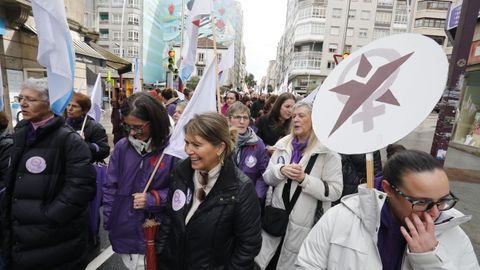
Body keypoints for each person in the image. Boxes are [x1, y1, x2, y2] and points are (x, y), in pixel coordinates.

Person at [297, 150, 480, 269]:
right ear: (388, 189)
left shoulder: (454, 234)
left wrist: (429, 259)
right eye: (422, 202)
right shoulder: (340, 218)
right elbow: (307, 265)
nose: (435, 213)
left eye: (442, 201)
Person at [3, 78, 96, 269]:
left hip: (54, 238)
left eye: (30, 99)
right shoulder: (20, 134)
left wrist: (49, 217)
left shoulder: (69, 140)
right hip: (19, 235)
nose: (22, 103)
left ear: (49, 104)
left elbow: (81, 188)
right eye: (21, 98)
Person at [156, 112, 262, 269]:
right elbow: (170, 220)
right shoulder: (181, 172)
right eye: (187, 143)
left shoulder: (241, 188)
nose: (188, 150)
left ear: (220, 148)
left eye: (196, 145)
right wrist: (161, 255)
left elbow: (248, 246)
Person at [255, 102, 343, 270]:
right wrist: (280, 171)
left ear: (314, 121)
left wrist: (304, 180)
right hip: (275, 221)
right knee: (266, 263)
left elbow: (335, 191)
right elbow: (267, 177)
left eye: (301, 116)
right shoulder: (282, 145)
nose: (296, 119)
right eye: (294, 116)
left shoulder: (328, 153)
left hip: (305, 228)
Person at [103, 93, 179, 270]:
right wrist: (110, 220)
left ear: (154, 121)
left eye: (138, 127)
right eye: (127, 126)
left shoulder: (173, 150)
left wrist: (153, 199)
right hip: (126, 230)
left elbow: (182, 192)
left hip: (159, 232)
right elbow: (110, 187)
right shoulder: (122, 147)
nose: (132, 133)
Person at [228, 102, 269, 203]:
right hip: (225, 199)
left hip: (248, 199)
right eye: (237, 117)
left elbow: (264, 173)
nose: (242, 121)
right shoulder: (221, 141)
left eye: (245, 118)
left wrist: (257, 195)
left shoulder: (258, 143)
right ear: (229, 119)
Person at [65, 92, 110, 163]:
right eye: (68, 105)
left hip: (85, 168)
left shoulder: (95, 127)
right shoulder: (63, 125)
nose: (69, 109)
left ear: (84, 110)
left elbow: (104, 151)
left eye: (74, 106)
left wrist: (83, 143)